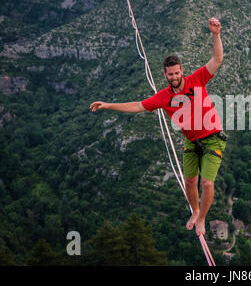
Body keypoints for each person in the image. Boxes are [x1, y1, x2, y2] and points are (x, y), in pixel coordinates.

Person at [90, 17, 225, 237]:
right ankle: (195, 211)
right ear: (165, 75)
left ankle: (201, 218)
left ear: (182, 71)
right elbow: (137, 106)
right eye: (170, 74)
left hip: (212, 137)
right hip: (191, 140)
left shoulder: (197, 80)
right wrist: (108, 105)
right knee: (190, 181)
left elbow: (217, 59)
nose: (174, 77)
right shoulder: (163, 97)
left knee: (207, 184)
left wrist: (216, 34)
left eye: (177, 73)